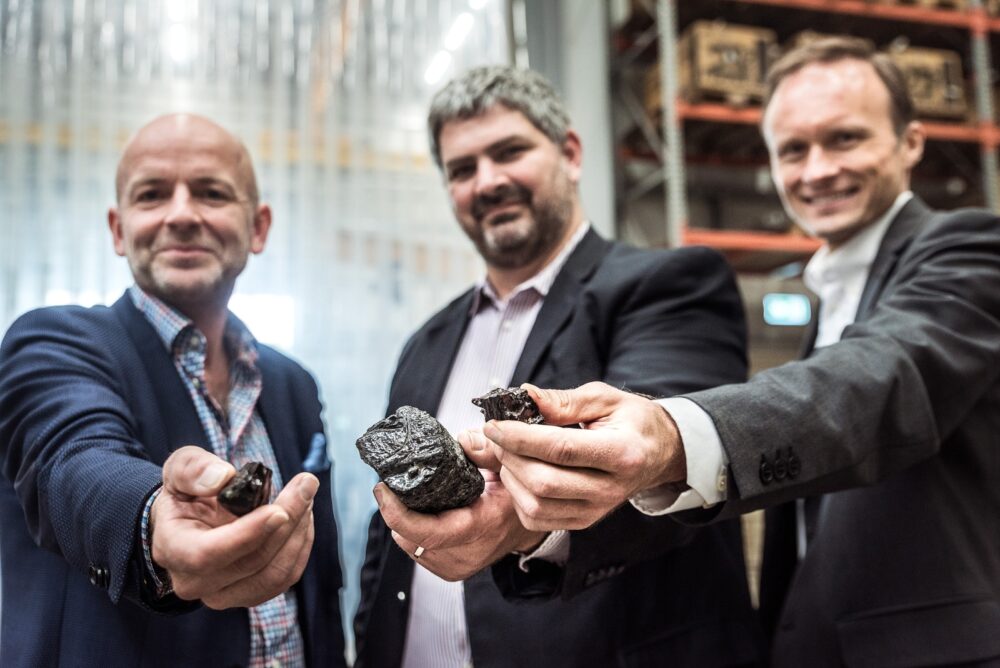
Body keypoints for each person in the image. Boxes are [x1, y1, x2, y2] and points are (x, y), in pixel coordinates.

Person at [467, 38, 1000, 666]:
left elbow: (878, 379)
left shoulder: (969, 249)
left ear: (910, 142)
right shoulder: (830, 298)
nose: (817, 170)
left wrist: (674, 435)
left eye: (845, 139)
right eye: (793, 150)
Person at [353, 66, 763, 667]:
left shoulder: (666, 288)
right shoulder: (427, 340)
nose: (487, 181)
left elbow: (666, 462)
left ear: (570, 153)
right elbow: (386, 523)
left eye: (509, 152)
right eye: (462, 169)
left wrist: (523, 525)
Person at [0, 113, 346, 667]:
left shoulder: (292, 384)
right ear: (118, 229)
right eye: (152, 195)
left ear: (258, 227)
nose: (182, 215)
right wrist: (154, 516)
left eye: (211, 193)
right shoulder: (54, 343)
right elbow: (73, 459)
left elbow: (317, 577)